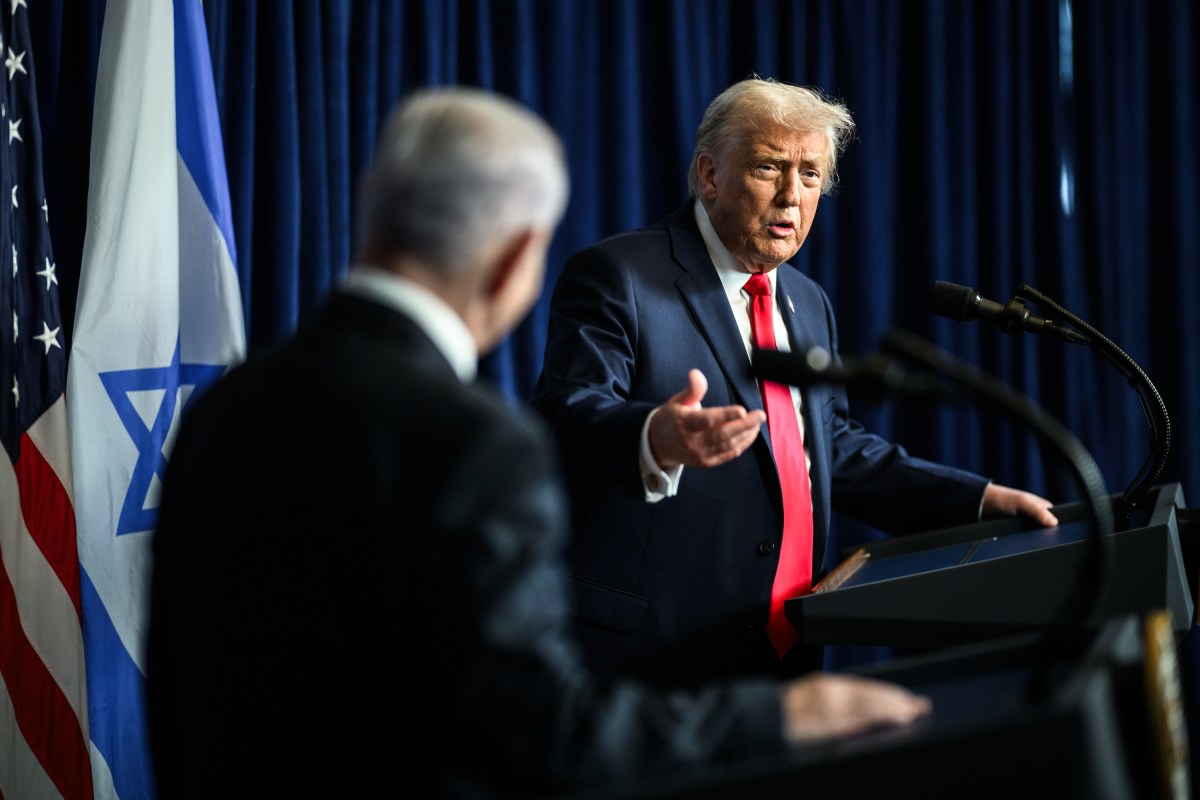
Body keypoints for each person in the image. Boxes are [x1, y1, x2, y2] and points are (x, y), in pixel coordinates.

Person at [145, 86, 934, 799]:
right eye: (770, 168)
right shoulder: (476, 445)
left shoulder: (222, 409)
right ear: (520, 258)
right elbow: (537, 733)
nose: (794, 194)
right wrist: (784, 722)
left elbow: (180, 692)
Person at [529, 75, 1059, 690]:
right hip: (649, 653)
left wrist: (976, 500)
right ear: (709, 175)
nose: (791, 197)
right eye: (768, 168)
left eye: (810, 176)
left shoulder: (807, 301)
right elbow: (565, 411)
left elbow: (827, 448)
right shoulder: (619, 275)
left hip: (784, 647)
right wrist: (655, 435)